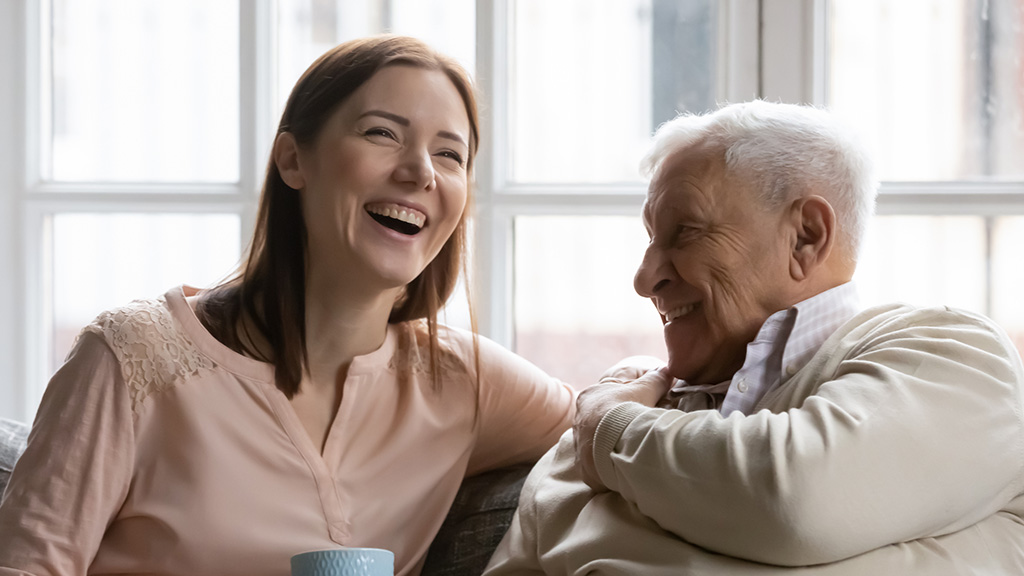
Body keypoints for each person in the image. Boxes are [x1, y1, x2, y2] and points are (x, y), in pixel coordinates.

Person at [0, 35, 575, 576]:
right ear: (293, 160)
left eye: (450, 154)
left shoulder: (463, 383)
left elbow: (610, 419)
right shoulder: (129, 360)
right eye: (382, 133)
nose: (421, 171)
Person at [484, 100, 1024, 575]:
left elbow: (796, 500)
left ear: (806, 237)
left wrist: (610, 433)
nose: (644, 278)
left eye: (686, 232)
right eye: (651, 240)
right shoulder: (600, 426)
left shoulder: (955, 356)